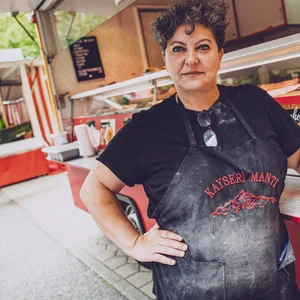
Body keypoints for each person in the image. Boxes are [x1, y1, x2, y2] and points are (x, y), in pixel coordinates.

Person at [80, 0, 300, 299]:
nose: (191, 59)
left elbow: (298, 155)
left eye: (203, 47)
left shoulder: (256, 103)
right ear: (166, 58)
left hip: (274, 285)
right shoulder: (147, 128)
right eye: (178, 48)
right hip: (191, 289)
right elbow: (94, 189)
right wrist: (134, 244)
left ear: (220, 55)